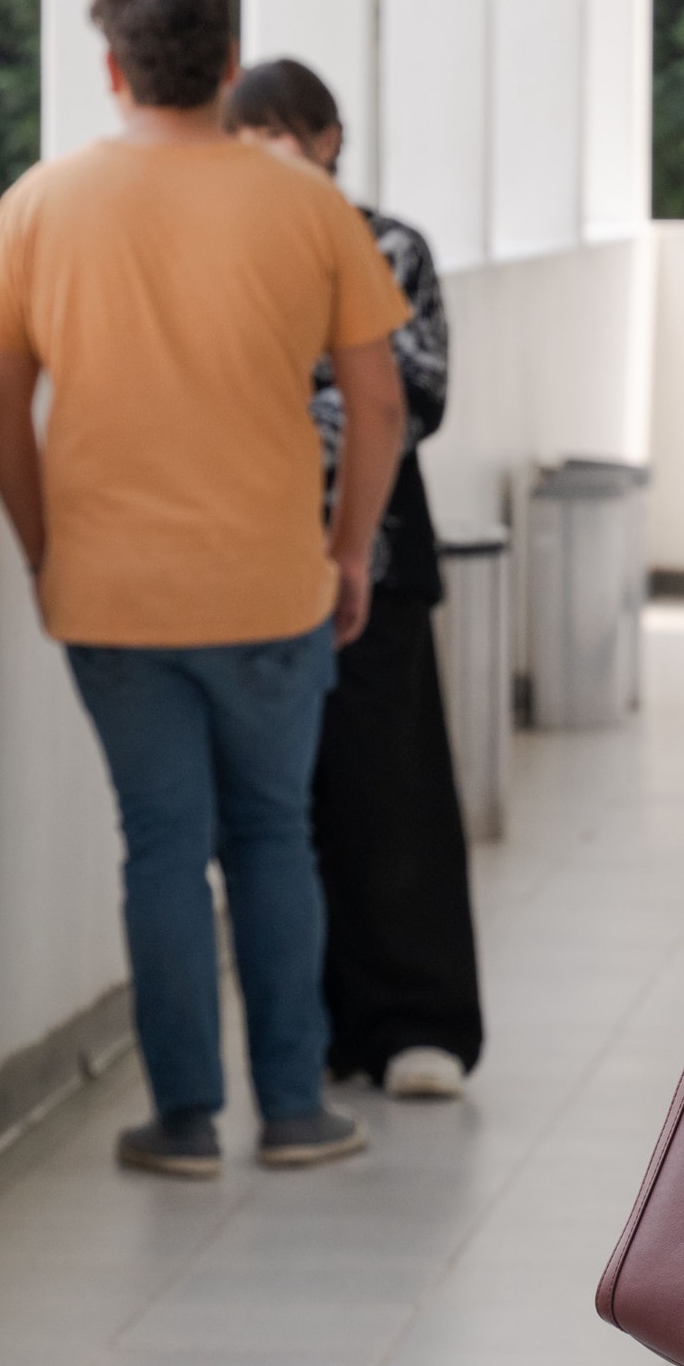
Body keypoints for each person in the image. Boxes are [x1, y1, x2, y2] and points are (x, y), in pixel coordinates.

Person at [0, 0, 416, 1177]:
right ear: (227, 64)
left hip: (111, 590)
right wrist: (349, 548)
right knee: (272, 835)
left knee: (160, 845)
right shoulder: (306, 205)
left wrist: (44, 545)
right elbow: (378, 403)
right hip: (274, 583)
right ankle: (295, 1110)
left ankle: (185, 1122)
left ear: (112, 68)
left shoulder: (41, 203)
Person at [224, 58, 486, 1101]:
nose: (265, 156)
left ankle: (422, 1024)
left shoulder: (390, 246)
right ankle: (327, 1028)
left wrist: (284, 415)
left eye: (282, 133)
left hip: (377, 556)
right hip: (251, 566)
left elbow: (414, 393)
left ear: (328, 138)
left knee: (393, 795)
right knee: (288, 809)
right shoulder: (226, 249)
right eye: (247, 139)